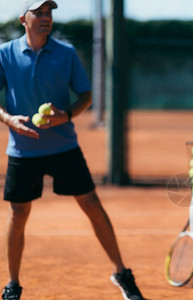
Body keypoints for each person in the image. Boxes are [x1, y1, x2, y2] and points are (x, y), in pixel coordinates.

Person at [0, 1, 145, 299]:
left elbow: (86, 95)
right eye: (38, 12)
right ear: (23, 19)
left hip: (64, 146)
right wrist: (8, 119)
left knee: (92, 204)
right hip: (23, 149)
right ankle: (12, 284)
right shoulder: (5, 54)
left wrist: (65, 116)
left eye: (49, 13)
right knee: (18, 213)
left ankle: (121, 273)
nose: (45, 17)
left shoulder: (65, 54)